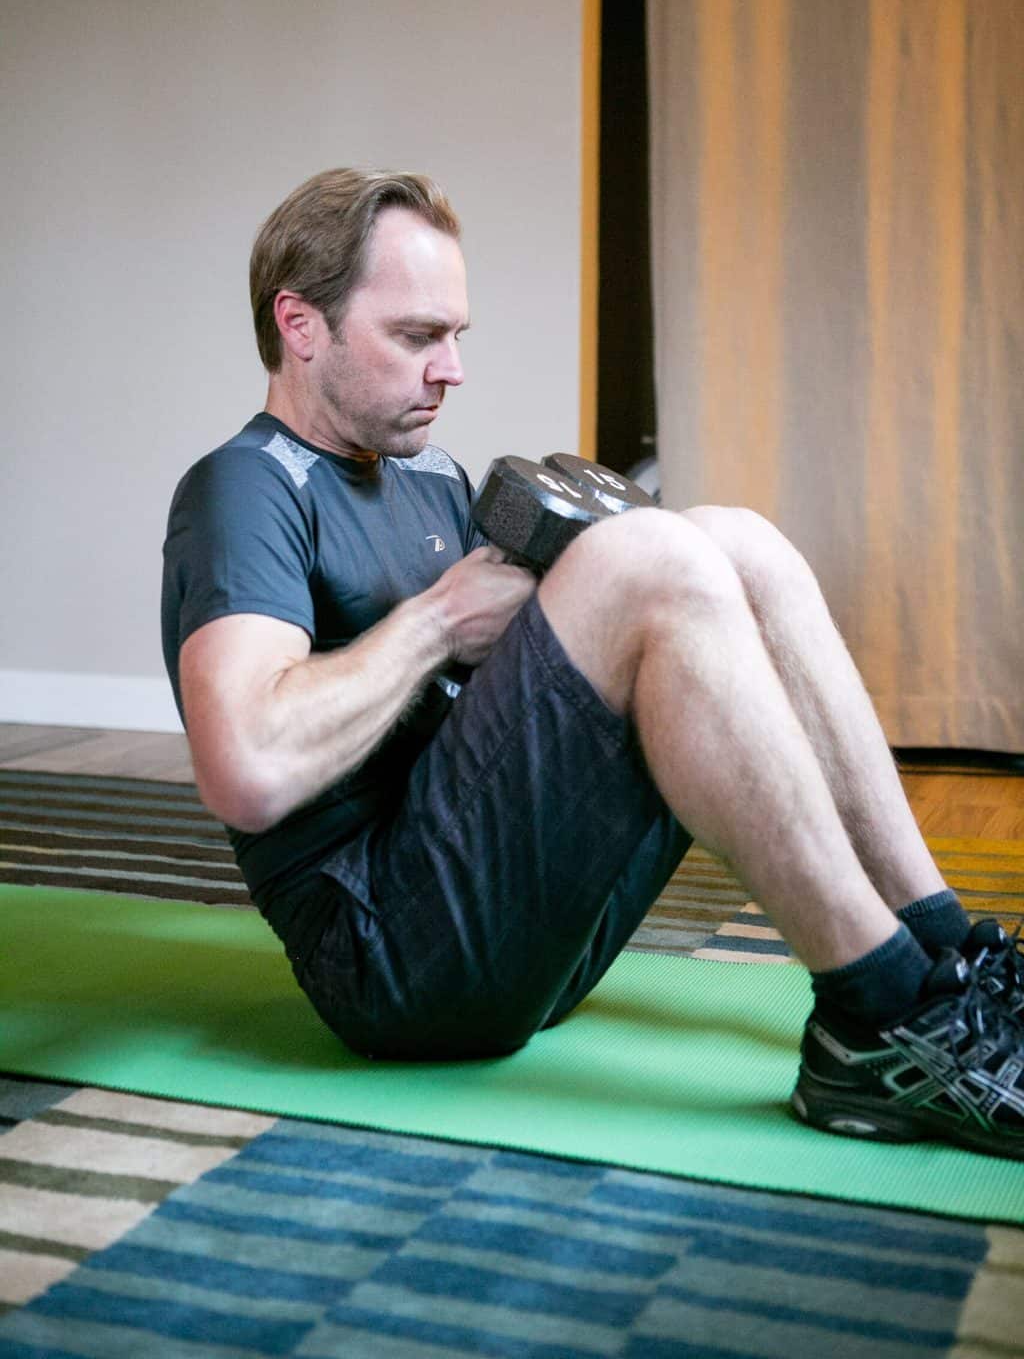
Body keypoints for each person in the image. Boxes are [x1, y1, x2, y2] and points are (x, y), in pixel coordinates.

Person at [162, 166, 1023, 1160]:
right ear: (300, 324)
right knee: (646, 558)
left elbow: (490, 722)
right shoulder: (243, 490)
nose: (451, 370)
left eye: (455, 337)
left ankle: (949, 958)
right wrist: (444, 621)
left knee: (734, 542)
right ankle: (882, 1013)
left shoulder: (426, 474)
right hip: (392, 964)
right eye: (415, 337)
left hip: (519, 932)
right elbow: (244, 767)